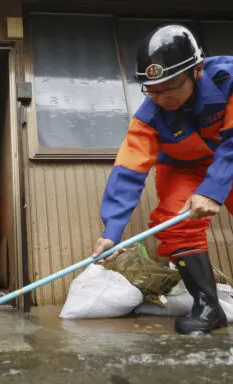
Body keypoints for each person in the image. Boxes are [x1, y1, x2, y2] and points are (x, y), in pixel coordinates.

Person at [92, 24, 233, 335]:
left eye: (169, 87)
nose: (161, 98)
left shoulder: (229, 78)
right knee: (175, 220)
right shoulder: (149, 116)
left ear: (196, 71)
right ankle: (209, 308)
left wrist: (213, 189)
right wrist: (112, 231)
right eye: (151, 89)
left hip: (230, 156)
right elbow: (128, 171)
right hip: (184, 167)